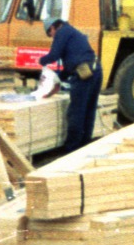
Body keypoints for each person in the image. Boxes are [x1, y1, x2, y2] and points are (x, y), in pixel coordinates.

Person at [43, 18, 101, 151]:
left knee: (76, 112)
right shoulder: (72, 33)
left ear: (52, 27)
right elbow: (69, 66)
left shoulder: (62, 32)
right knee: (88, 110)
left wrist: (41, 61)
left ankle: (71, 149)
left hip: (84, 73)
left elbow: (53, 55)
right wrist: (57, 80)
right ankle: (84, 145)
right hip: (95, 70)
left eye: (49, 33)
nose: (51, 37)